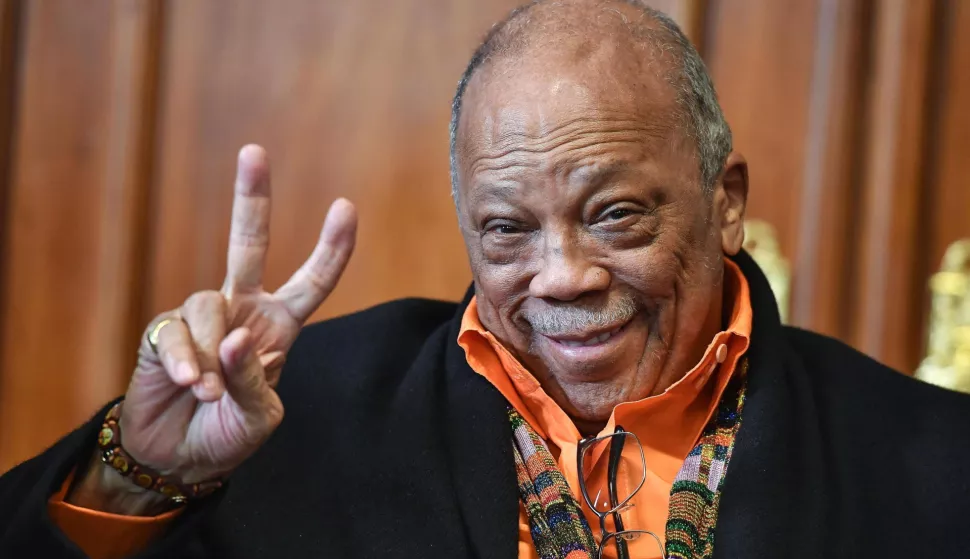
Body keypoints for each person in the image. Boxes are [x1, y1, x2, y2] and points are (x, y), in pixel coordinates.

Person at [2, 1, 969, 558]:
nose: (564, 277)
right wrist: (148, 464)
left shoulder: (931, 465)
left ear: (725, 200)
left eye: (614, 214)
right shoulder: (300, 410)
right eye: (508, 229)